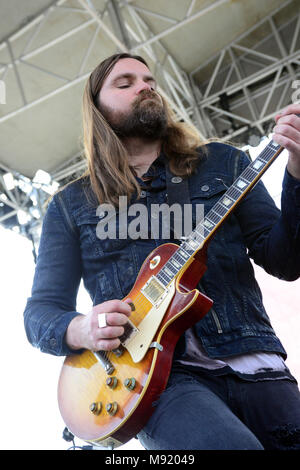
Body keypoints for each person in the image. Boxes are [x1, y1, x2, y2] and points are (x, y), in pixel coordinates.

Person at [24, 52, 300, 450]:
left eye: (149, 80)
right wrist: (83, 328)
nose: (145, 87)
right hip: (156, 380)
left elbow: (286, 260)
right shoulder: (71, 204)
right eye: (126, 83)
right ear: (97, 109)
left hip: (256, 362)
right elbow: (40, 313)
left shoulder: (225, 162)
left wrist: (296, 173)